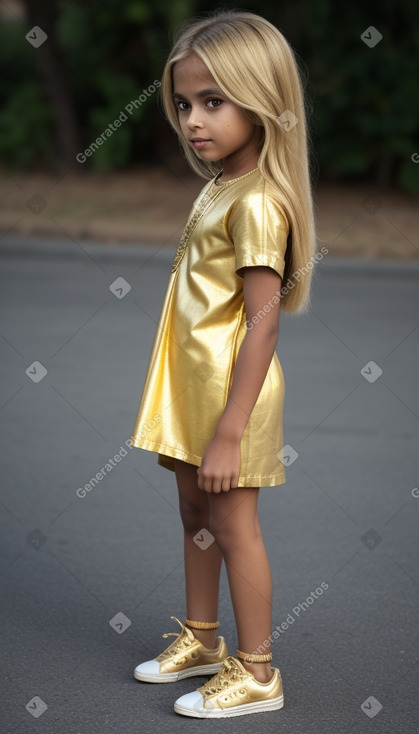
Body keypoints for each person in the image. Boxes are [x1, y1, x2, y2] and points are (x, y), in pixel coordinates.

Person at [131, 8, 316, 718]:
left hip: (231, 396)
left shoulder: (261, 201)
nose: (192, 120)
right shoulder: (219, 186)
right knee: (193, 512)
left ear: (262, 101)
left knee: (235, 524)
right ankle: (204, 639)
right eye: (182, 103)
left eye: (213, 101)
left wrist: (232, 427)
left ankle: (259, 670)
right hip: (193, 389)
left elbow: (262, 325)